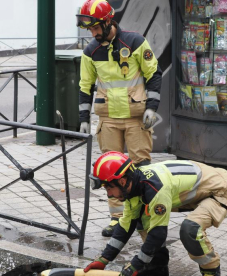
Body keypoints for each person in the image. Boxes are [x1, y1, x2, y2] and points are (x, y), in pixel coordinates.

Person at [76, 0, 162, 237]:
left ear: (107, 22)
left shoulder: (134, 42)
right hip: (109, 119)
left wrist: (152, 108)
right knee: (108, 171)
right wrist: (84, 118)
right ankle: (117, 220)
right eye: (89, 30)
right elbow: (85, 86)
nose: (93, 34)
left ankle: (144, 215)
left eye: (95, 28)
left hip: (136, 119)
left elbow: (154, 73)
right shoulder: (90, 51)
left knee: (141, 168)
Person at [84, 151, 227, 276]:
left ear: (122, 181)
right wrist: (104, 259)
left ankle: (211, 272)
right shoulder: (134, 184)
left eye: (109, 188)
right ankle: (157, 268)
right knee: (141, 217)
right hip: (190, 191)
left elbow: (158, 234)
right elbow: (125, 226)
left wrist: (136, 265)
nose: (109, 195)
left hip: (216, 190)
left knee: (190, 229)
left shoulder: (155, 188)